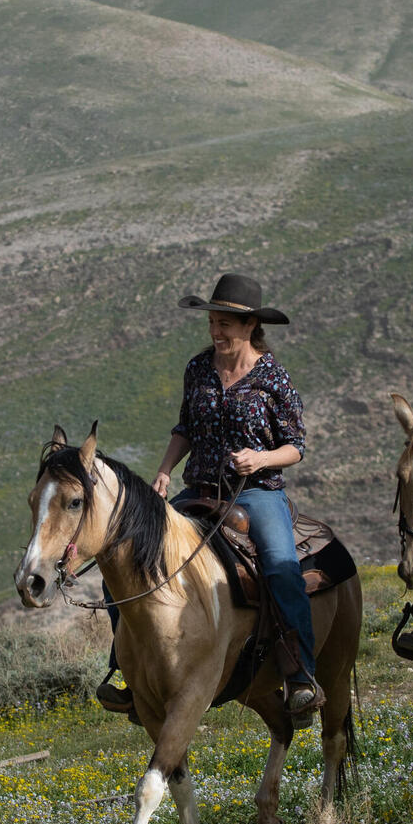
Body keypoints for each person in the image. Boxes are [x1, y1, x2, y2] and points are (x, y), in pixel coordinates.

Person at [99, 273, 324, 717]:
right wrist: (164, 470)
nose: (216, 332)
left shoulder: (274, 377)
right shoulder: (198, 369)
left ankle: (300, 673)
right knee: (126, 558)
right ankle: (125, 668)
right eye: (213, 323)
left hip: (256, 492)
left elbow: (296, 446)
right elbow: (185, 427)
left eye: (225, 324)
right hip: (198, 490)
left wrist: (260, 460)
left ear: (248, 327)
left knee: (280, 568)